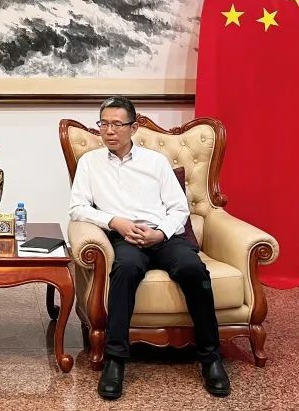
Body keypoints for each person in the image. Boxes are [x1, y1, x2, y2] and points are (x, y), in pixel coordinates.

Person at [69, 96, 230, 400]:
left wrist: (160, 233)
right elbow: (78, 208)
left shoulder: (155, 162)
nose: (109, 131)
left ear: (133, 127)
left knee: (193, 269)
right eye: (104, 124)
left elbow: (179, 208)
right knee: (125, 269)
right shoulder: (90, 163)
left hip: (162, 235)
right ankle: (115, 360)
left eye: (117, 124)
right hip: (124, 237)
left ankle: (211, 358)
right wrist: (115, 221)